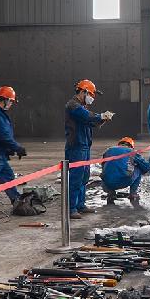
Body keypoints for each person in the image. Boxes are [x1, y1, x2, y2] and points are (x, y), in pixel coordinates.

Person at [65, 79, 113, 218]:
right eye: (91, 94)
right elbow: (87, 116)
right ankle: (71, 208)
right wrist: (100, 116)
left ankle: (80, 205)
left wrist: (102, 119)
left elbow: (91, 122)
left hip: (84, 146)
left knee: (84, 177)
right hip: (76, 147)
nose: (92, 98)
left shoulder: (81, 106)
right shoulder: (73, 105)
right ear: (83, 92)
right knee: (76, 178)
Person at [101, 137, 149, 208]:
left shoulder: (108, 150)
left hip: (107, 183)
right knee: (139, 169)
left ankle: (111, 193)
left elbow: (103, 166)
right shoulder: (132, 151)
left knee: (107, 171)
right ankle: (133, 193)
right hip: (125, 181)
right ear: (131, 146)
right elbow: (146, 167)